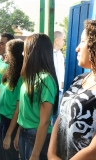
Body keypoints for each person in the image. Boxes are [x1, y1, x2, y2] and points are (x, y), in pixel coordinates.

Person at [48, 20, 96, 160]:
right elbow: (62, 116)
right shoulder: (80, 79)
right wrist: (51, 154)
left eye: (82, 41)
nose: (77, 48)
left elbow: (93, 151)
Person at [11, 33, 58, 160]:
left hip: (36, 137)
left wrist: (36, 154)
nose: (22, 54)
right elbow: (25, 111)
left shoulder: (46, 79)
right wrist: (18, 134)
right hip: (25, 134)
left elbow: (44, 121)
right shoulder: (29, 77)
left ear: (34, 53)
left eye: (25, 50)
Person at [52, 31, 65, 125]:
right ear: (57, 40)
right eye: (63, 40)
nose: (64, 42)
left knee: (57, 114)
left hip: (60, 90)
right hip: (52, 89)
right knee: (52, 114)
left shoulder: (60, 54)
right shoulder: (49, 54)